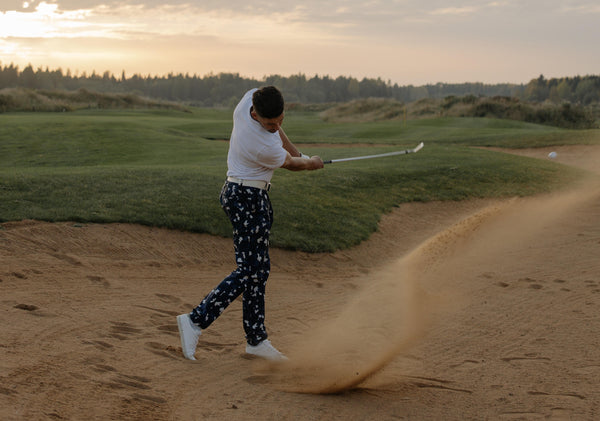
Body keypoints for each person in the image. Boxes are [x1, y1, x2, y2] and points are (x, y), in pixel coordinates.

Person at [177, 86, 324, 361]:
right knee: (249, 271)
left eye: (281, 119)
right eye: (270, 123)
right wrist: (310, 162)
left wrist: (298, 151)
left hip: (246, 194)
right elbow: (291, 164)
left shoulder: (250, 98)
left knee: (259, 270)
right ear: (255, 115)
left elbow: (282, 139)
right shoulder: (262, 145)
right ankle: (195, 320)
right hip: (246, 198)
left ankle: (256, 340)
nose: (276, 126)